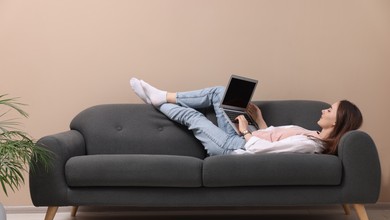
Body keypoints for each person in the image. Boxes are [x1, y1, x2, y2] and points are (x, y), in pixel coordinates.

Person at [130, 78, 363, 156]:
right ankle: (163, 96)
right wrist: (258, 119)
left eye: (329, 110)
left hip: (237, 148)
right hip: (244, 137)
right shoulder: (312, 134)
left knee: (195, 118)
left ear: (336, 121)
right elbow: (274, 139)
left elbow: (263, 151)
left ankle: (156, 101)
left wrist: (245, 131)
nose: (324, 110)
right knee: (220, 93)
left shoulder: (310, 145)